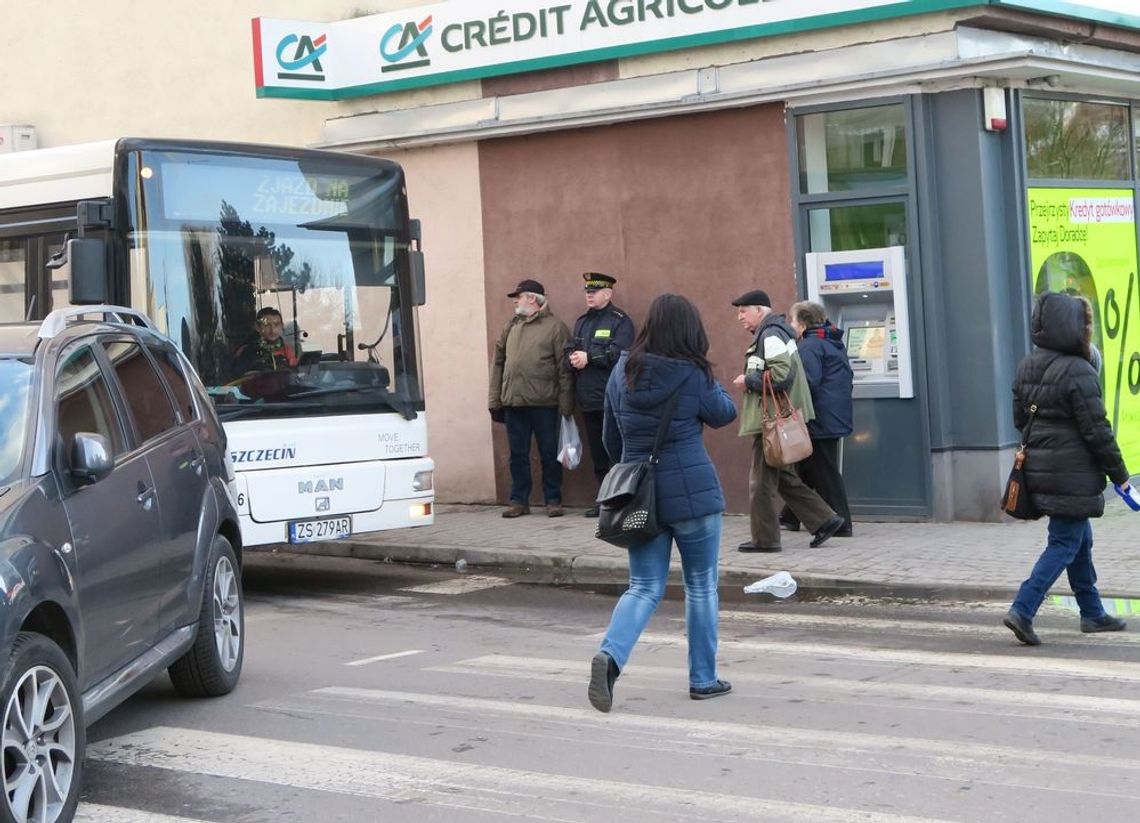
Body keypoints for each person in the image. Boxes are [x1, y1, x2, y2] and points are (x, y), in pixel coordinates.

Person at [588, 294, 737, 713]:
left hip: (640, 496)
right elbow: (725, 413)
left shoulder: (621, 370)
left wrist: (632, 464)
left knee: (643, 587)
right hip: (694, 492)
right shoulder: (692, 373)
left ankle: (611, 656)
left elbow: (609, 438)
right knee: (701, 586)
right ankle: (703, 679)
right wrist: (710, 376)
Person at [1003, 291, 1130, 645]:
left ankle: (1092, 613)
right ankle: (1023, 608)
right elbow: (1097, 430)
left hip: (1042, 468)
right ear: (1076, 328)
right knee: (1064, 543)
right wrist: (1120, 476)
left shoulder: (1028, 364)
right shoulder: (1079, 369)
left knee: (1079, 540)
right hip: (1072, 473)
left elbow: (1018, 418)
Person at [732, 290, 844, 553]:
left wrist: (747, 380)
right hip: (774, 417)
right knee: (781, 476)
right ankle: (826, 520)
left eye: (743, 311)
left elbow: (781, 376)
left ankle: (765, 540)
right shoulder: (775, 332)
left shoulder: (770, 335)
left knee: (759, 483)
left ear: (760, 310)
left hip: (771, 419)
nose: (740, 317)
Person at [488, 279, 575, 518]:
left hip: (545, 404)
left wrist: (566, 405)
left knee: (549, 454)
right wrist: (495, 400)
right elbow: (498, 364)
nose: (515, 300)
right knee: (517, 455)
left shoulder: (556, 327)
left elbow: (564, 369)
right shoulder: (511, 326)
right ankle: (519, 501)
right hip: (514, 403)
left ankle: (553, 500)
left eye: (520, 296)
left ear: (534, 299)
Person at [780, 300, 854, 537]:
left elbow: (807, 383)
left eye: (792, 320)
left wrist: (793, 409)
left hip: (819, 418)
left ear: (802, 323)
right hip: (832, 416)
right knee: (807, 468)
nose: (791, 325)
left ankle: (842, 523)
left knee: (825, 471)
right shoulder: (831, 343)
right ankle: (790, 517)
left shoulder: (809, 347)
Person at [565, 272, 636, 517]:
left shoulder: (619, 321)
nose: (589, 296)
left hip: (611, 398)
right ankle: (604, 498)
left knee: (615, 450)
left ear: (608, 293)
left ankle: (621, 498)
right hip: (588, 399)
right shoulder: (582, 322)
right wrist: (572, 357)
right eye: (587, 292)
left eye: (594, 292)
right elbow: (572, 348)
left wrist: (590, 358)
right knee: (597, 453)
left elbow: (622, 354)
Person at [234, 307, 299, 374]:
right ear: (258, 327)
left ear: (282, 326)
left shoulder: (286, 350)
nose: (272, 330)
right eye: (267, 325)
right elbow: (239, 378)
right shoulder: (246, 351)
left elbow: (295, 373)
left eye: (276, 324)